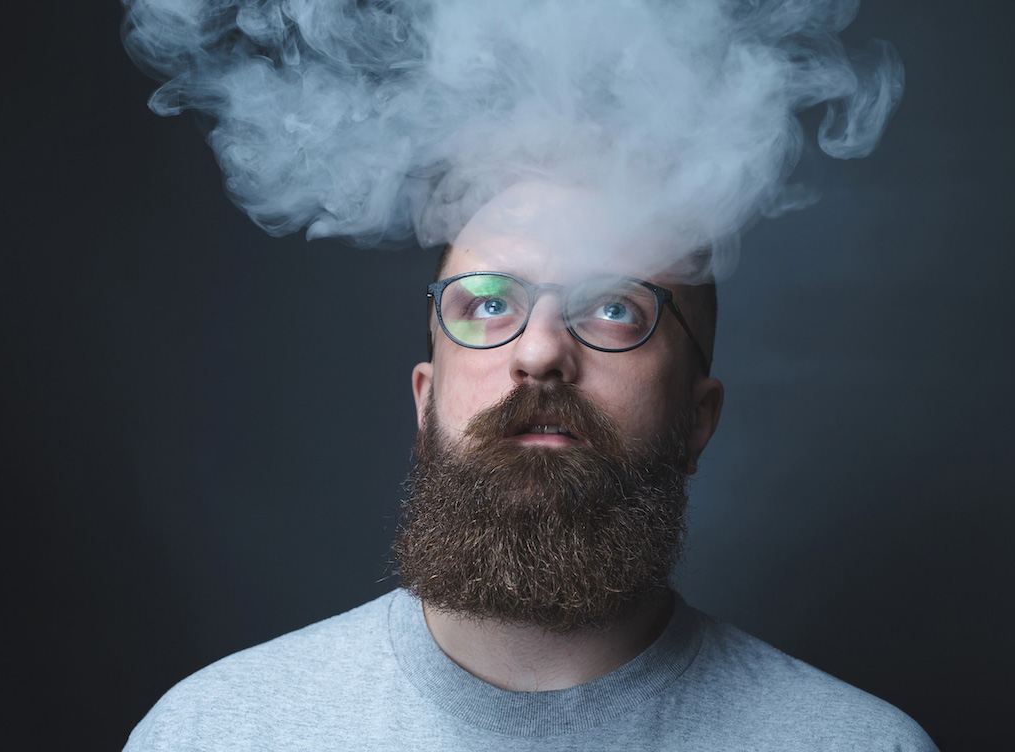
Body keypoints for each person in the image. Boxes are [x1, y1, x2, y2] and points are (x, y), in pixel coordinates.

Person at [123, 181, 938, 750]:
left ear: (698, 420)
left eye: (614, 308)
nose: (541, 351)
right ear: (425, 398)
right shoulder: (214, 734)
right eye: (487, 304)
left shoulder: (858, 746)